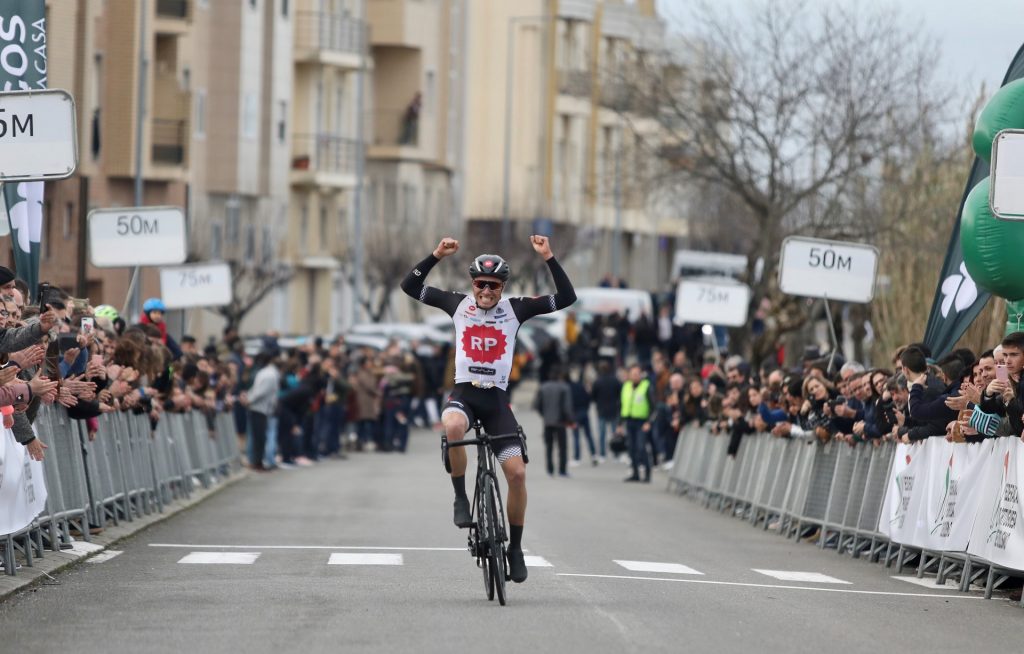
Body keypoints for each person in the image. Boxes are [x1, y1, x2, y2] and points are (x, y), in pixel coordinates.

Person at [400, 234, 576, 585]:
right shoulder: (457, 304)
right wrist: (436, 255)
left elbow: (567, 298)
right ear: (472, 283)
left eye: (493, 285)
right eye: (481, 283)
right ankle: (461, 498)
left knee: (518, 474)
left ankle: (515, 548)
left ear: (502, 287)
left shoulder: (516, 309)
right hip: (465, 394)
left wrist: (549, 257)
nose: (486, 290)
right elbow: (410, 285)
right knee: (451, 427)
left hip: (496, 401)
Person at [533, 365, 574, 477]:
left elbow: (537, 405)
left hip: (548, 421)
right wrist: (570, 420)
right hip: (560, 422)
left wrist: (544, 414)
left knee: (549, 446)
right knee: (562, 447)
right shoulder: (564, 387)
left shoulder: (543, 387)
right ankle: (562, 470)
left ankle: (550, 469)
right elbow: (567, 407)